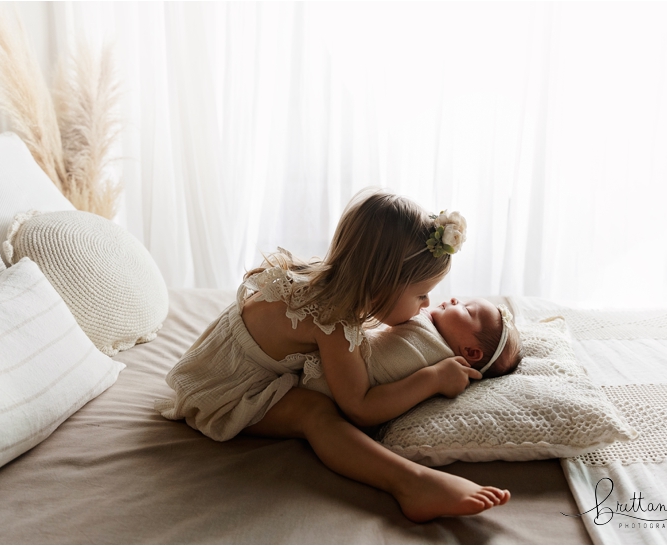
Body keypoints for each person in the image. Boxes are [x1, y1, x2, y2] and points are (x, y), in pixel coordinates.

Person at [156, 189, 510, 522]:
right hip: (224, 390)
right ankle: (411, 483)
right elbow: (361, 406)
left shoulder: (322, 279)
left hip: (212, 362)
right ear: (381, 285)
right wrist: (431, 378)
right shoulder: (334, 322)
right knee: (316, 413)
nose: (427, 306)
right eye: (420, 295)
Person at [301, 297, 523, 398]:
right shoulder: (436, 337)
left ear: (471, 352)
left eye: (466, 309)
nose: (456, 299)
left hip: (326, 380)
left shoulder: (432, 351)